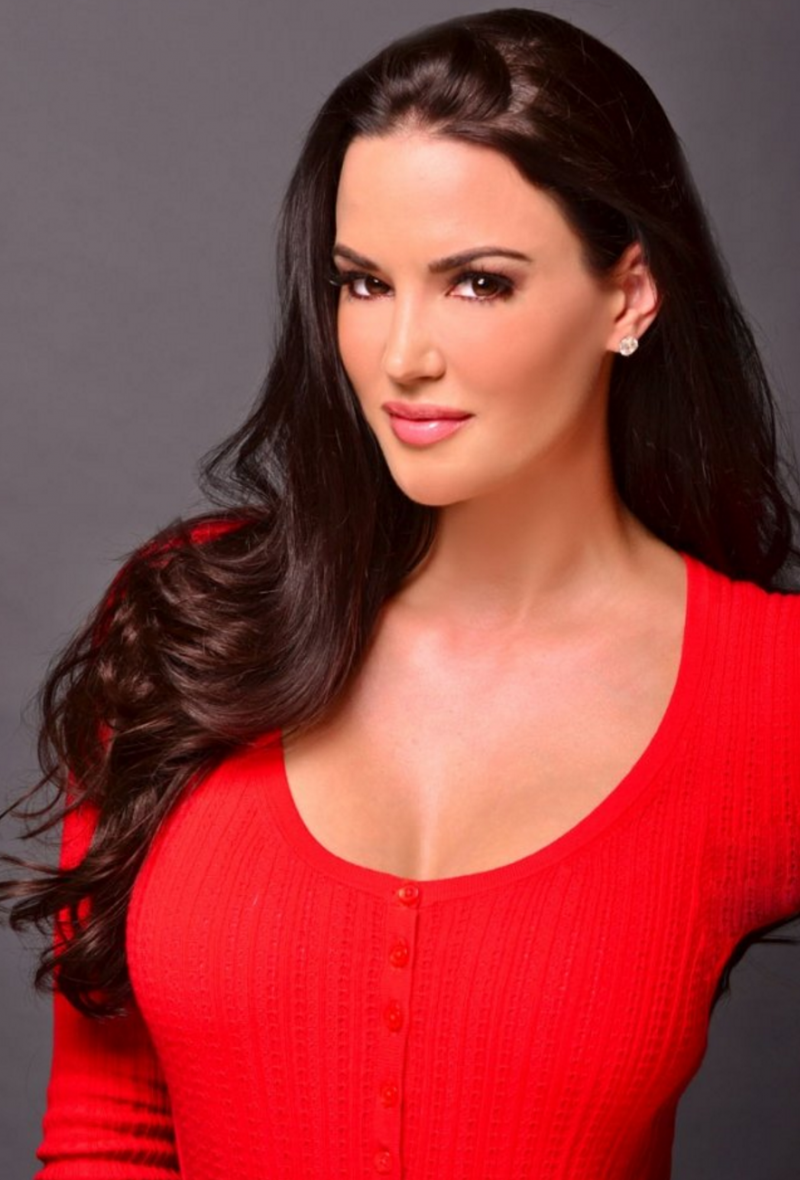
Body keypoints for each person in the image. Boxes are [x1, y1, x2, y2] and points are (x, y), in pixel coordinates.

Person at [2, 7, 799, 1178]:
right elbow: (106, 1133)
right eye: (363, 283)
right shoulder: (191, 629)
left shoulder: (766, 690)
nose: (401, 356)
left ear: (628, 294)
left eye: (476, 283)